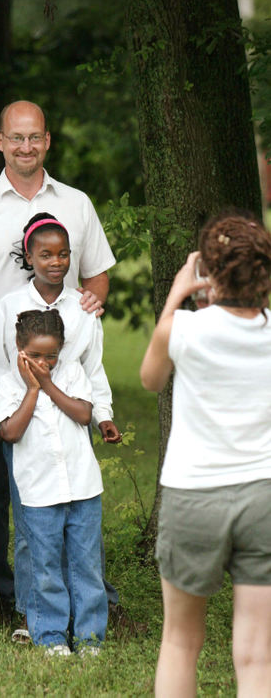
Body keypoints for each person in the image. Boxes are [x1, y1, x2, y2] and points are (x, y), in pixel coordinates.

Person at [0, 100, 116, 615]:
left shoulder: (77, 203)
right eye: (15, 138)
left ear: (47, 141)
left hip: (62, 355)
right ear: (0, 142)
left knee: (66, 473)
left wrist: (93, 298)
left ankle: (74, 588)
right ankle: (0, 591)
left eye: (34, 137)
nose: (25, 146)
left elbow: (98, 270)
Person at [140, 212, 271, 696]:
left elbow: (152, 381)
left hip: (193, 495)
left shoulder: (182, 330)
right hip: (264, 497)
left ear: (209, 273)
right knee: (258, 656)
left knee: (179, 642)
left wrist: (177, 296)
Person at [0, 213, 121, 634]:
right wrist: (10, 407)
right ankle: (33, 614)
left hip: (69, 422)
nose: (56, 262)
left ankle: (84, 619)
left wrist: (104, 416)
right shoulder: (9, 307)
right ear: (29, 257)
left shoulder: (83, 310)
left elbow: (92, 370)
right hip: (24, 423)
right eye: (45, 254)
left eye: (64, 254)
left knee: (78, 525)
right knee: (32, 527)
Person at [0, 309, 107, 656]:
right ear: (18, 346)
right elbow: (10, 432)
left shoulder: (71, 372)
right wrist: (32, 389)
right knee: (44, 566)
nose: (45, 362)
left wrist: (47, 384)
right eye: (35, 355)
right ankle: (51, 635)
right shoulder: (6, 384)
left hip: (83, 486)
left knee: (86, 563)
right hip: (39, 492)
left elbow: (83, 414)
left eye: (51, 356)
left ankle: (89, 638)